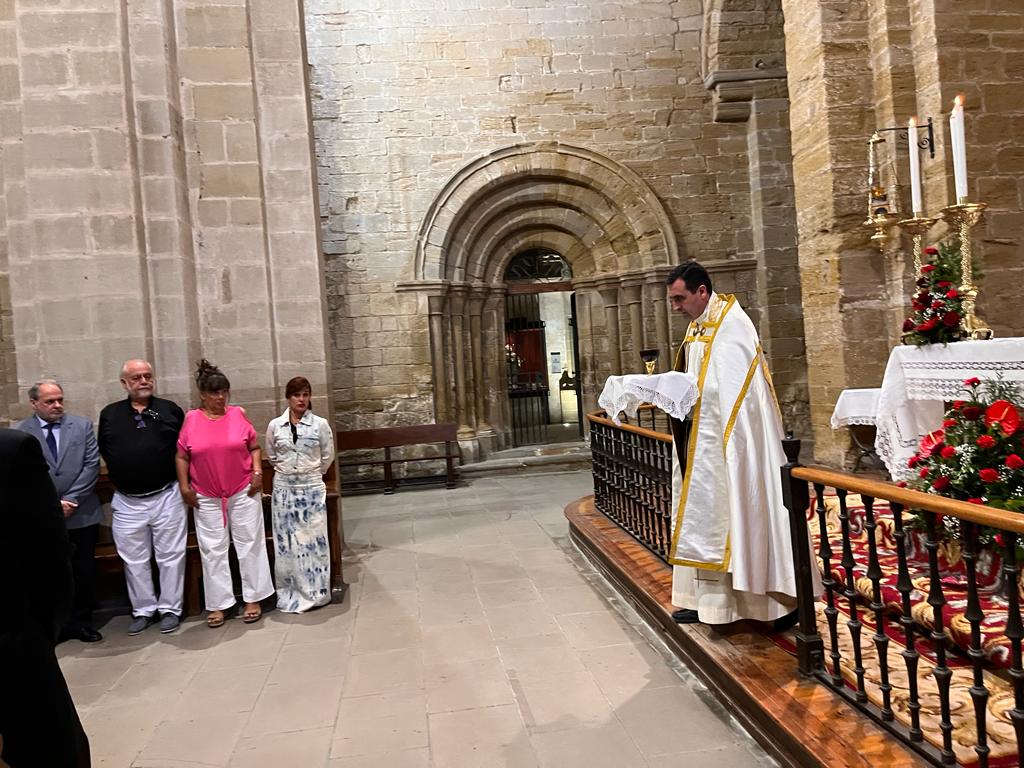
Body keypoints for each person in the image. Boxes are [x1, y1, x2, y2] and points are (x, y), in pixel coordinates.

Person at [665, 261, 812, 626]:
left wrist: (691, 395)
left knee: (738, 512)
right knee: (705, 517)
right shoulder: (698, 326)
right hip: (701, 438)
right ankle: (709, 603)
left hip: (730, 444)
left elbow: (736, 397)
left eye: (680, 299)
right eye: (673, 300)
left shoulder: (733, 327)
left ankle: (770, 604)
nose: (676, 307)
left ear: (702, 291)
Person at [0, 428, 91, 767]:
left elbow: (49, 555)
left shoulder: (11, 452)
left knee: (47, 748)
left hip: (12, 646)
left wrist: (38, 633)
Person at [176, 359, 274, 627]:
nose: (220, 397)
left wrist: (257, 472)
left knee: (249, 543)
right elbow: (182, 456)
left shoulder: (237, 414)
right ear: (202, 394)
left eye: (224, 392)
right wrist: (184, 487)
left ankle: (253, 598)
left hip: (242, 490)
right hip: (206, 495)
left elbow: (254, 447)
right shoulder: (191, 419)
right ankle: (220, 603)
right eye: (214, 393)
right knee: (213, 549)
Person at [98, 360, 187, 635]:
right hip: (128, 500)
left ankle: (170, 608)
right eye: (136, 377)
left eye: (148, 376)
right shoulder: (110, 414)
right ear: (124, 383)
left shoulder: (169, 410)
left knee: (170, 555)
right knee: (134, 559)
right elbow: (105, 449)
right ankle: (143, 610)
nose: (144, 381)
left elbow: (184, 449)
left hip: (167, 494)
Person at [16, 380, 103, 643]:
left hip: (81, 512)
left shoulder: (81, 426)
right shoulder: (21, 432)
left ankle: (82, 621)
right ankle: (56, 624)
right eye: (50, 401)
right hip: (44, 516)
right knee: (50, 572)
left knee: (82, 569)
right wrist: (51, 505)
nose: (57, 405)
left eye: (60, 400)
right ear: (34, 403)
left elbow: (91, 465)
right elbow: (22, 474)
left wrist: (71, 500)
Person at [265, 376, 335, 613]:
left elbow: (327, 456)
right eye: (296, 395)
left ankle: (316, 593)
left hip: (311, 487)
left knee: (313, 542)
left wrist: (311, 473)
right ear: (288, 397)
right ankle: (290, 594)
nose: (301, 399)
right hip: (284, 489)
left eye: (305, 394)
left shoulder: (320, 424)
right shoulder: (276, 425)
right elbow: (272, 455)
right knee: (288, 544)